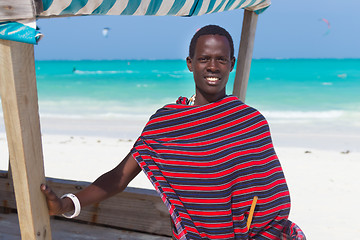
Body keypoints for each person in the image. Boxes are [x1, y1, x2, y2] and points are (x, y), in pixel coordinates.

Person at [41, 25, 305, 239]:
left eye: (221, 59)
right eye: (204, 59)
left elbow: (269, 193)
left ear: (232, 63)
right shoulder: (166, 124)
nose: (212, 67)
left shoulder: (250, 121)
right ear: (190, 63)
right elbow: (119, 178)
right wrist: (65, 205)